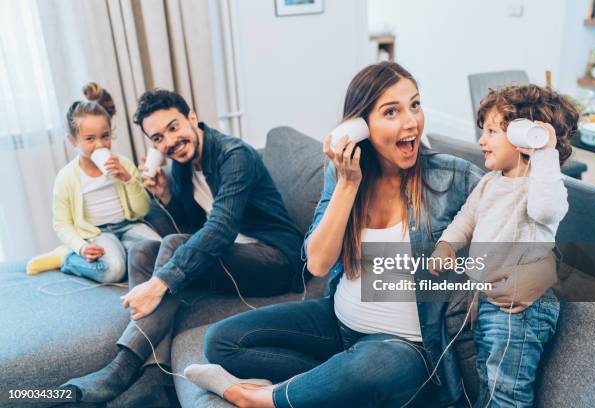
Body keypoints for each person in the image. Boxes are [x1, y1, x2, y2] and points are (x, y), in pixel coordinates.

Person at [183, 62, 558, 407]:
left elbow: (532, 223)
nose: (411, 122)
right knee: (222, 342)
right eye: (391, 112)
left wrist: (545, 271)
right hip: (338, 323)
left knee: (372, 367)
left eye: (415, 105)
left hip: (408, 350)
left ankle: (260, 398)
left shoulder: (453, 177)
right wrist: (348, 184)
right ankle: (328, 386)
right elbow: (317, 262)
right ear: (361, 125)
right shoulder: (344, 175)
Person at [59, 89, 305, 403]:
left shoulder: (234, 156)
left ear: (191, 118)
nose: (169, 142)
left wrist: (159, 283)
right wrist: (166, 197)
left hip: (275, 259)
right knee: (142, 250)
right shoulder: (182, 165)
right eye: (158, 138)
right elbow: (190, 227)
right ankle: (155, 376)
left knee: (172, 247)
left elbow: (219, 230)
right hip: (234, 256)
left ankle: (122, 367)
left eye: (173, 128)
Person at [430, 84, 578, 407]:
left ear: (525, 136)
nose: (482, 141)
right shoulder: (489, 183)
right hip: (487, 303)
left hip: (519, 312)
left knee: (506, 392)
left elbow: (547, 210)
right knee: (490, 382)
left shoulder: (539, 187)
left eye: (492, 131)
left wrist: (545, 153)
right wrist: (446, 246)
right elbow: (466, 218)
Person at [28, 83, 161, 282]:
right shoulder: (66, 178)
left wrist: (129, 180)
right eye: (90, 139)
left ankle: (124, 251)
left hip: (128, 225)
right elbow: (62, 223)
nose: (100, 144)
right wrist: (80, 246)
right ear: (72, 141)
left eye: (105, 136)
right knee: (113, 270)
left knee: (163, 253)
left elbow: (142, 211)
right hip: (97, 233)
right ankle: (66, 258)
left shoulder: (123, 164)